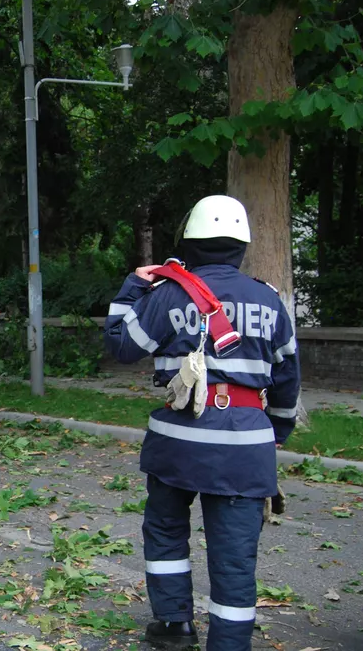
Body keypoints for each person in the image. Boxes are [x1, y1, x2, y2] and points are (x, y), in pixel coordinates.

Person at [104, 195, 301, 651]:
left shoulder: (168, 292)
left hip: (179, 441)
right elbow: (288, 378)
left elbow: (121, 345)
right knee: (234, 556)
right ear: (241, 246)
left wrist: (132, 287)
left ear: (189, 241)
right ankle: (229, 643)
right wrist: (273, 435)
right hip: (245, 446)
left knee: (167, 528)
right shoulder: (269, 300)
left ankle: (173, 625)